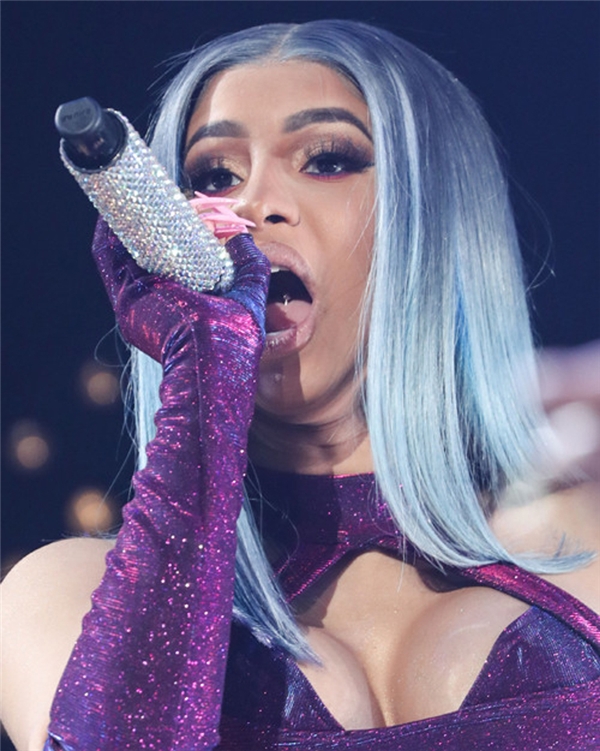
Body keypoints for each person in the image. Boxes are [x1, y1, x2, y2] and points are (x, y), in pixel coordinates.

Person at [1, 19, 599, 751]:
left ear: (435, 219)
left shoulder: (585, 538)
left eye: (327, 160)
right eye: (214, 177)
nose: (255, 205)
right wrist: (203, 379)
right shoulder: (61, 595)